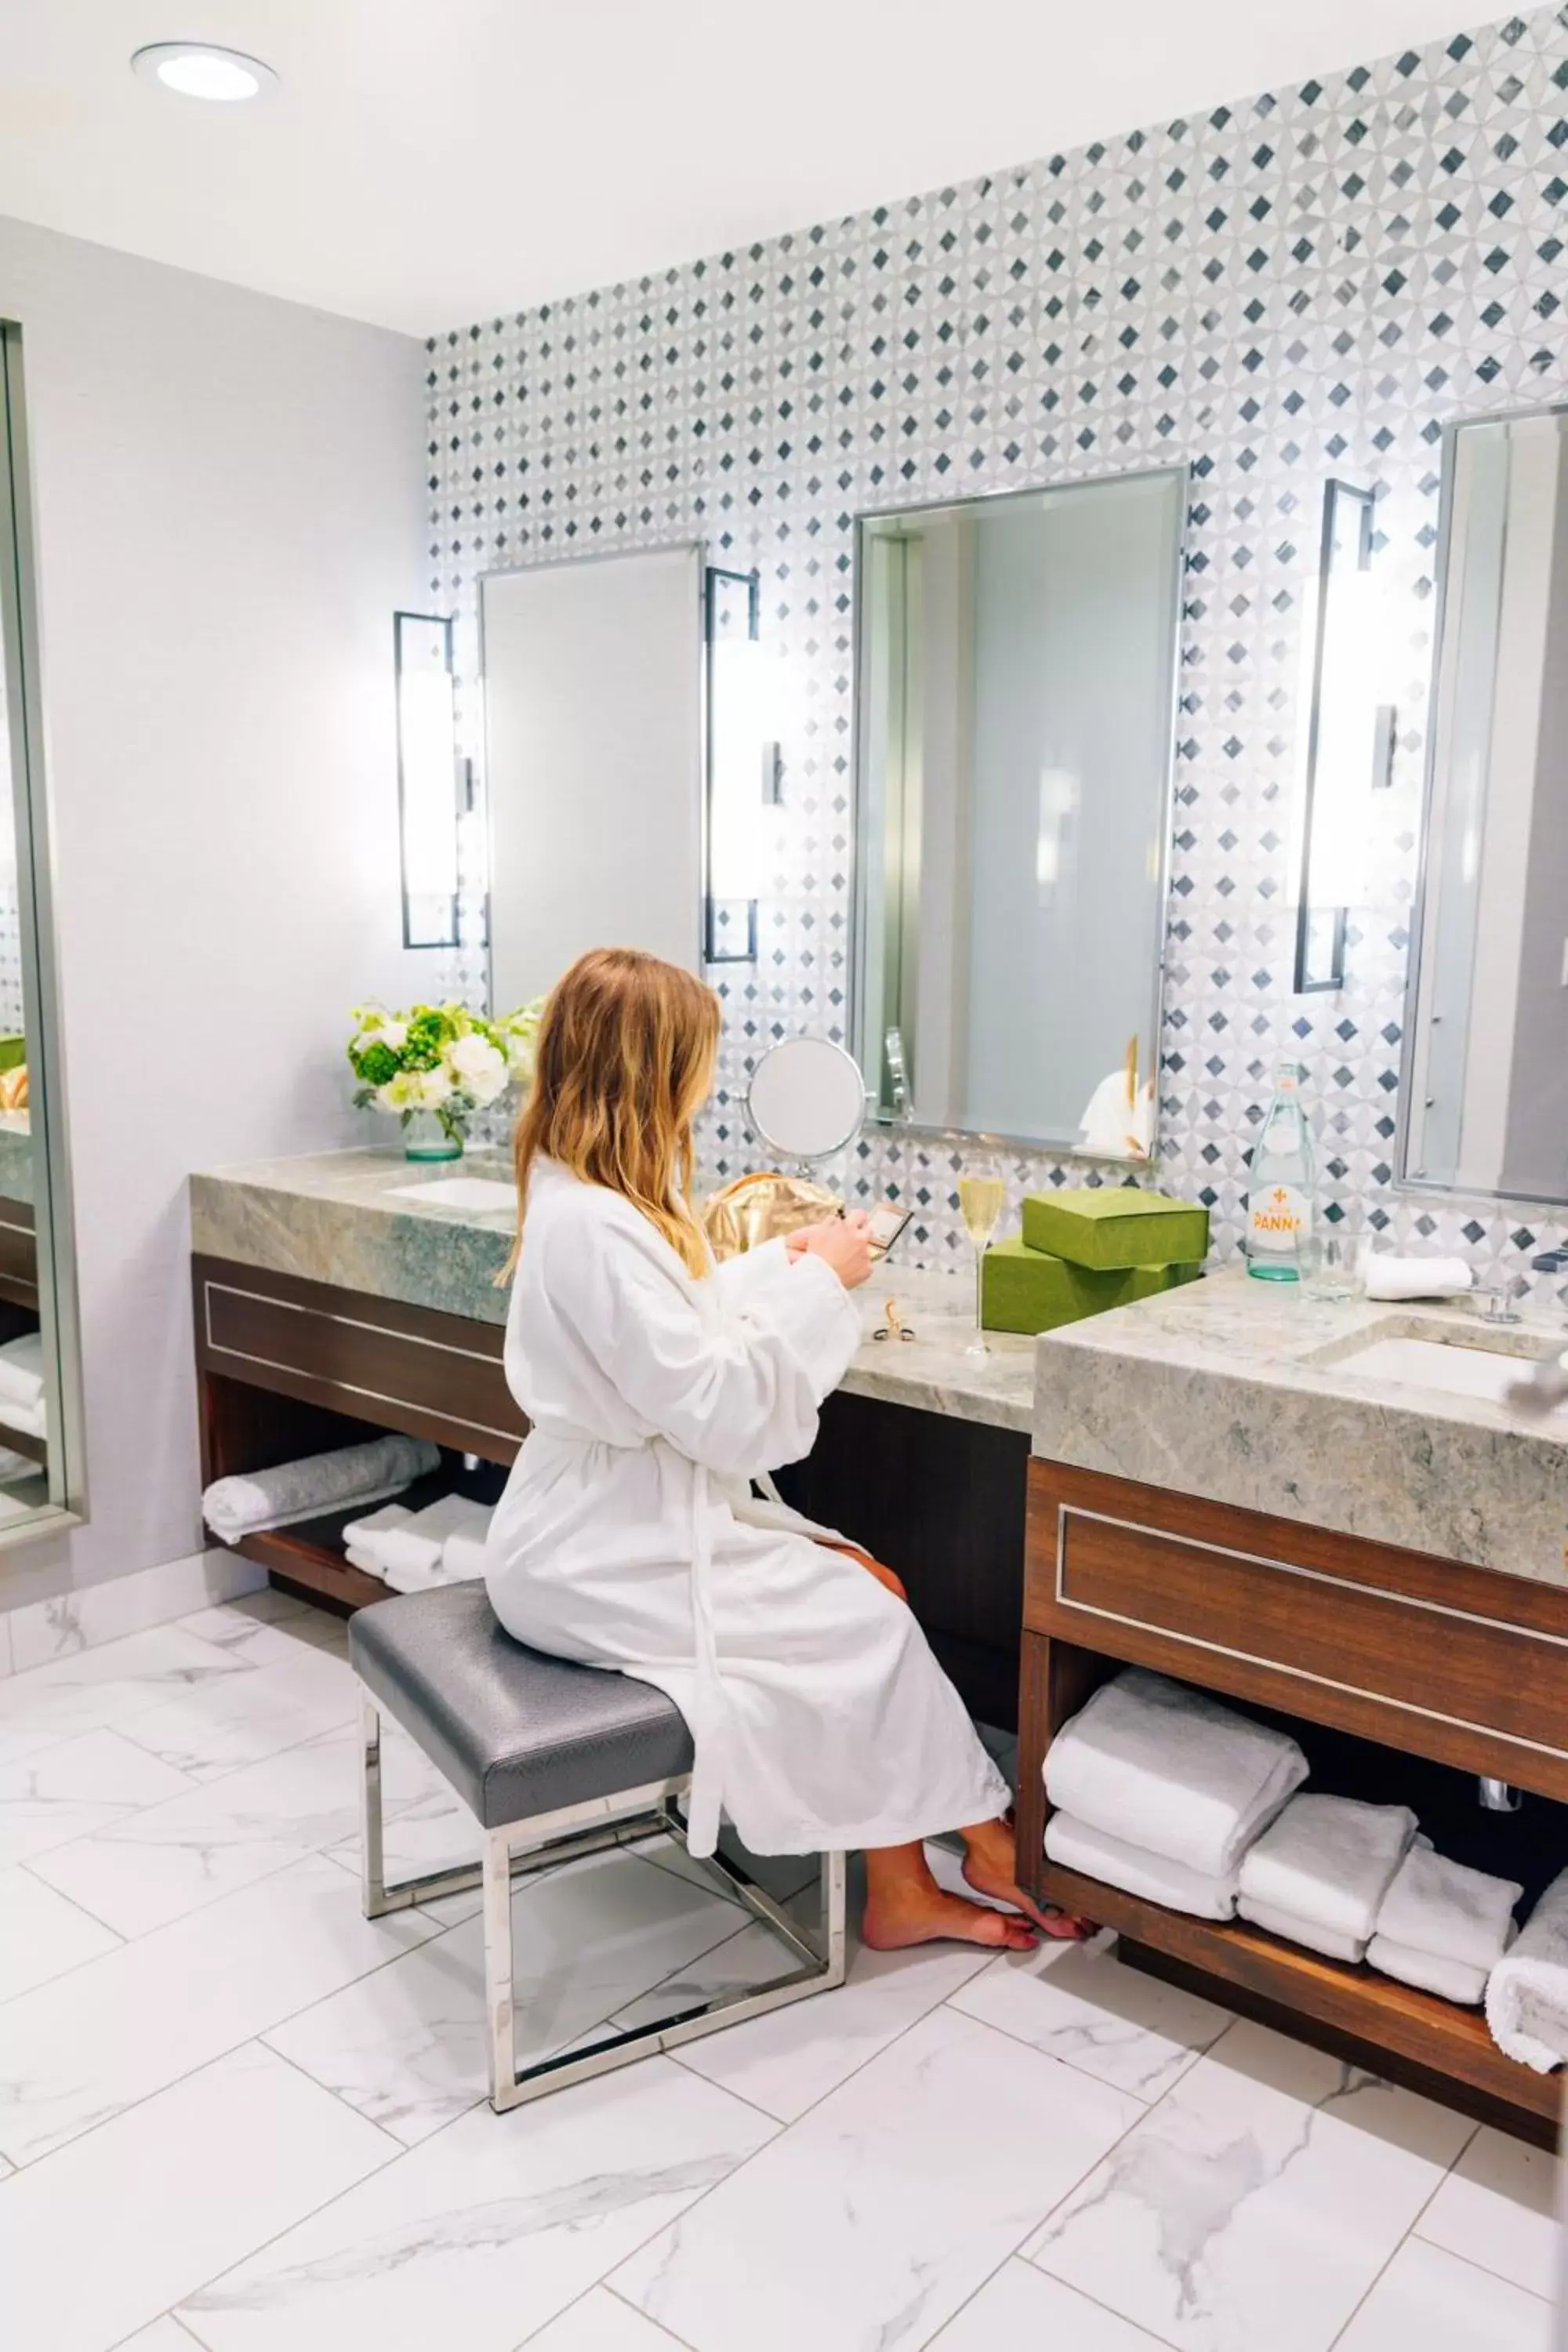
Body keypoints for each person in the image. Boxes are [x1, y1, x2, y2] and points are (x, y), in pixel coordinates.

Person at [485, 946, 1087, 1951]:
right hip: (593, 1552)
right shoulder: (593, 1225)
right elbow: (716, 1404)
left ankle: (906, 1883)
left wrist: (789, 1261)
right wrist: (820, 1287)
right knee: (866, 1613)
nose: (705, 1085)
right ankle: (985, 1841)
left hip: (603, 1524)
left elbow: (678, 1336)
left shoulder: (586, 1201)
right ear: (654, 1072)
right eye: (697, 1063)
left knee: (866, 1584)